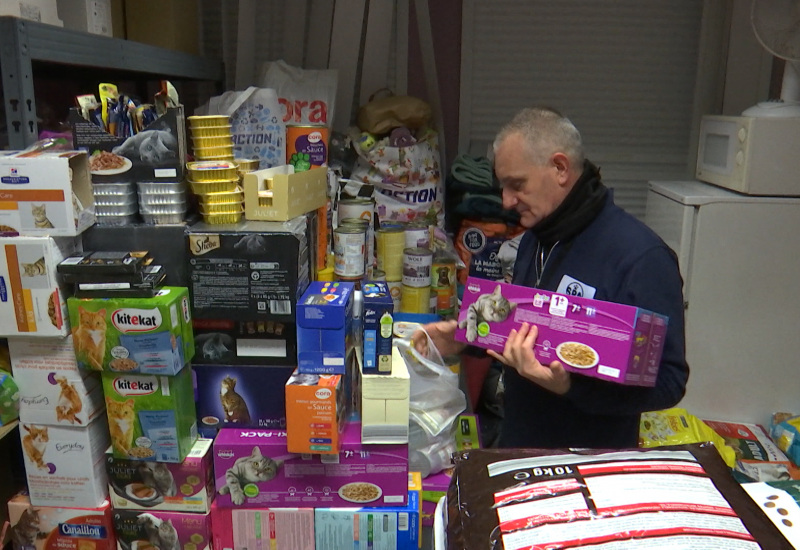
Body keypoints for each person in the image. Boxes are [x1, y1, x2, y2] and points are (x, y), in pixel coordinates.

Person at [413, 107, 689, 449]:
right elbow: (528, 323)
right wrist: (465, 337)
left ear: (560, 168)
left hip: (587, 467)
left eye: (517, 185)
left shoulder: (640, 258)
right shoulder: (536, 237)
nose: (506, 201)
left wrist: (569, 386)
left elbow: (669, 381)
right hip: (519, 448)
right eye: (503, 186)